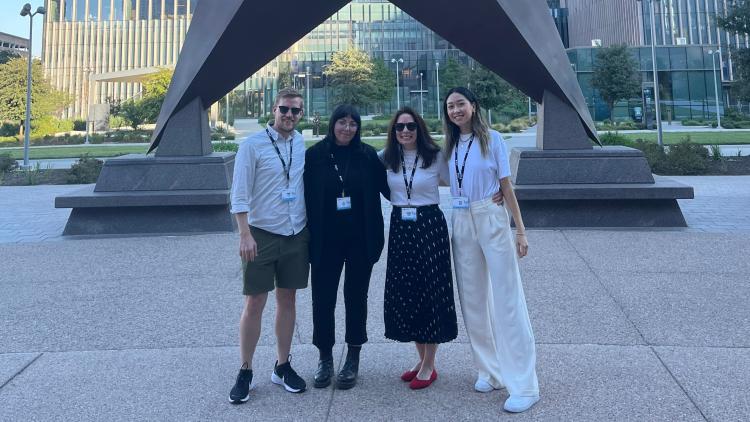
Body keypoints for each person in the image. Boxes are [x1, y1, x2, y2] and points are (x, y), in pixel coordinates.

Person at [443, 87, 540, 413]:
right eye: (450, 106)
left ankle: (525, 384)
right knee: (473, 301)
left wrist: (520, 230)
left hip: (490, 215)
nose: (456, 110)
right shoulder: (452, 144)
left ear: (474, 105)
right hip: (460, 218)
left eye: (460, 104)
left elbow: (506, 187)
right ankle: (491, 370)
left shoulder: (493, 139)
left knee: (507, 299)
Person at [228, 88, 309, 404]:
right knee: (254, 303)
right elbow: (239, 193)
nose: (289, 115)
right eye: (285, 109)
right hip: (261, 234)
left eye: (295, 111)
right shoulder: (252, 146)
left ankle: (282, 365)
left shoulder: (300, 143)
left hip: (295, 233)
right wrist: (244, 234)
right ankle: (246, 369)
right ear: (273, 110)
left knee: (288, 300)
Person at [304, 104, 389, 390]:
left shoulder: (367, 156)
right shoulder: (315, 156)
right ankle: (325, 358)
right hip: (325, 240)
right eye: (342, 122)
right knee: (323, 300)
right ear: (332, 124)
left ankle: (353, 356)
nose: (347, 128)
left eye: (353, 123)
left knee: (356, 298)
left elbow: (393, 189)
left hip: (360, 240)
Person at [380, 107, 457, 389]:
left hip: (429, 225)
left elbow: (461, 181)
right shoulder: (387, 158)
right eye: (399, 127)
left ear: (419, 129)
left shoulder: (435, 157)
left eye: (411, 126)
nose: (405, 132)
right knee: (408, 293)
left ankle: (429, 364)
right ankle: (420, 357)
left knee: (430, 292)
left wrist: (496, 191)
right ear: (394, 132)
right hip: (401, 225)